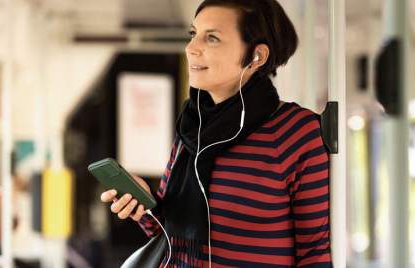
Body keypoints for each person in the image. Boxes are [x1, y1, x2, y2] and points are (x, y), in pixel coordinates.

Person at [100, 0, 332, 267]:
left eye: (211, 38)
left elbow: (313, 252)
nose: (191, 48)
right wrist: (144, 208)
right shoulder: (191, 126)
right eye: (193, 34)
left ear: (257, 56)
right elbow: (169, 236)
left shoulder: (294, 131)